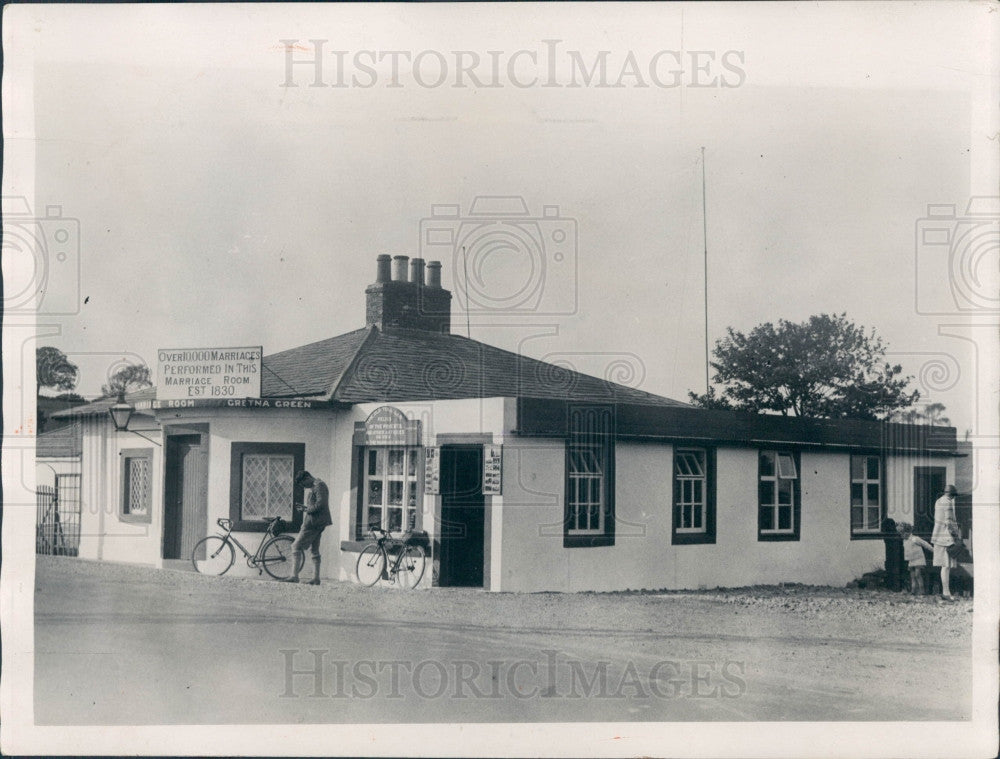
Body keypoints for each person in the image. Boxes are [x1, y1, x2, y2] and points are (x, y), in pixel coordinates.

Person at [284, 470, 332, 585]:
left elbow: (321, 504)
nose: (304, 487)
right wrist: (306, 508)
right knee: (314, 550)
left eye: (304, 484)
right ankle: (316, 578)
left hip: (313, 523)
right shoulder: (318, 485)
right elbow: (317, 504)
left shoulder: (319, 485)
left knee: (295, 546)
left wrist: (307, 509)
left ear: (307, 478)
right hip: (317, 522)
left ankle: (294, 576)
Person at [930, 484, 960, 601]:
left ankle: (946, 592)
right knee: (946, 566)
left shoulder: (938, 501)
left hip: (938, 535)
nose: (953, 498)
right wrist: (956, 536)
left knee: (945, 566)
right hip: (946, 538)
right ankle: (946, 592)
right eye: (953, 496)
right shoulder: (947, 503)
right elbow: (949, 522)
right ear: (951, 495)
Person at [896, 521, 933, 595]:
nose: (901, 535)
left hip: (918, 559)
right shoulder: (904, 541)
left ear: (907, 532)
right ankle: (913, 591)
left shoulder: (915, 539)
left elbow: (925, 544)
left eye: (902, 533)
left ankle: (922, 590)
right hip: (911, 560)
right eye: (900, 534)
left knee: (917, 575)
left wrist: (933, 550)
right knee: (912, 576)